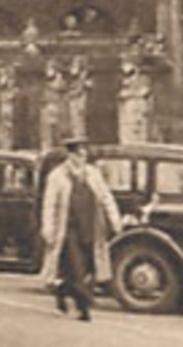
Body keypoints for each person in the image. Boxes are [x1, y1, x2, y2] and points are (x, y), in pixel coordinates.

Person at [39, 136, 122, 321]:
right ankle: (84, 308)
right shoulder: (57, 176)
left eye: (84, 153)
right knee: (77, 268)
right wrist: (48, 228)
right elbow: (49, 204)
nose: (82, 157)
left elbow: (106, 197)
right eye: (78, 153)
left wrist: (115, 220)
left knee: (89, 268)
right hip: (68, 230)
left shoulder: (93, 174)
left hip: (91, 228)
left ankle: (61, 290)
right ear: (70, 155)